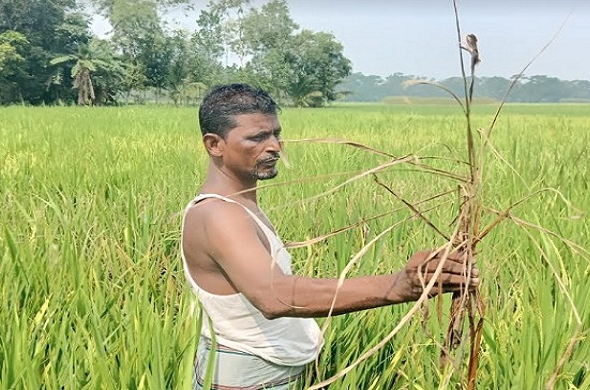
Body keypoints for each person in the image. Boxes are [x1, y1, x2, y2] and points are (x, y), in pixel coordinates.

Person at [181, 83, 479, 390]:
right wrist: (397, 286)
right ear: (214, 144)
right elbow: (273, 296)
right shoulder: (219, 214)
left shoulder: (240, 204)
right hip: (249, 377)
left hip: (266, 370)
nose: (274, 147)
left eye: (275, 134)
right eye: (257, 137)